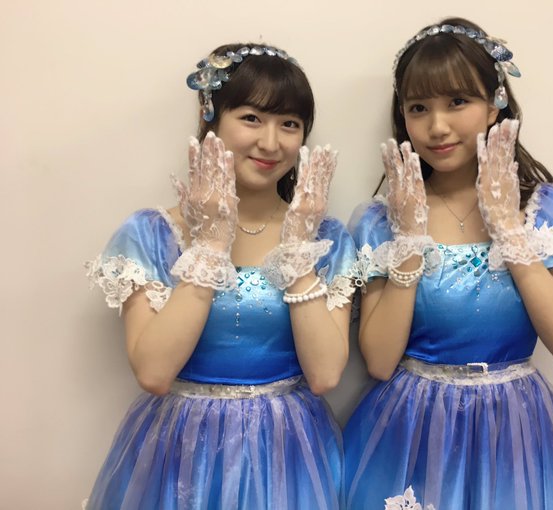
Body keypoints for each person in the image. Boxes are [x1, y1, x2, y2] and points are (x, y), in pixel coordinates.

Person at [343, 18, 553, 510]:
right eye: (418, 107)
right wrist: (410, 239)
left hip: (513, 429)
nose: (437, 126)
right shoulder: (382, 219)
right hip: (411, 429)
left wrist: (509, 229)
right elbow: (381, 362)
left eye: (457, 101)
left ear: (495, 105)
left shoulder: (546, 209)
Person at [84, 42, 355, 510]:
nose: (271, 142)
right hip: (182, 452)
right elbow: (153, 372)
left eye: (289, 124)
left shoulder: (325, 238)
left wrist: (297, 253)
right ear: (210, 118)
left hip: (288, 452)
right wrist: (209, 246)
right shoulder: (151, 234)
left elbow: (326, 374)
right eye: (251, 118)